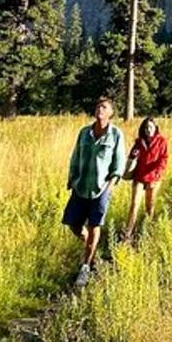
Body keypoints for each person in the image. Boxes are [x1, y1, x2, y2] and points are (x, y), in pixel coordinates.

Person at [63, 96, 126, 287]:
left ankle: (85, 267)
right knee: (73, 224)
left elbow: (119, 163)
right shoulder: (84, 133)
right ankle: (90, 244)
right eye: (98, 106)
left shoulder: (116, 135)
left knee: (94, 226)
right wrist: (72, 179)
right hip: (81, 187)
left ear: (111, 113)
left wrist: (110, 186)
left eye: (104, 107)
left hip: (101, 189)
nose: (100, 109)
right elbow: (75, 156)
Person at [121, 116, 168, 242]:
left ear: (155, 129)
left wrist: (157, 174)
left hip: (154, 178)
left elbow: (163, 159)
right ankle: (128, 234)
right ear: (143, 129)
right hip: (139, 177)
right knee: (134, 204)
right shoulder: (139, 141)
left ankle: (147, 231)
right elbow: (131, 157)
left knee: (149, 205)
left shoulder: (161, 141)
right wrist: (133, 156)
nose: (148, 130)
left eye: (151, 127)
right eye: (146, 127)